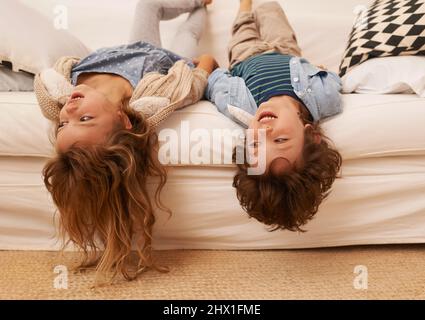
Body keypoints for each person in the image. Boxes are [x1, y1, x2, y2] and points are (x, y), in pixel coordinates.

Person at [34, 0, 218, 282]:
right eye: (85, 120)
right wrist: (203, 65)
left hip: (134, 45)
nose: (69, 111)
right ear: (123, 119)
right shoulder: (152, 94)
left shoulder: (66, 88)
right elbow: (202, 69)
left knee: (147, 3)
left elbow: (49, 76)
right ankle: (201, 7)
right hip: (166, 58)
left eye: (62, 124)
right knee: (189, 36)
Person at [205, 0, 342, 231]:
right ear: (311, 135)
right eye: (280, 140)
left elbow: (215, 83)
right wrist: (321, 71)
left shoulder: (236, 106)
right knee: (272, 12)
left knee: (243, 28)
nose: (264, 131)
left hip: (245, 56)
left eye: (256, 143)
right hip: (286, 51)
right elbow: (332, 80)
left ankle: (245, 6)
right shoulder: (325, 100)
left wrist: (218, 72)